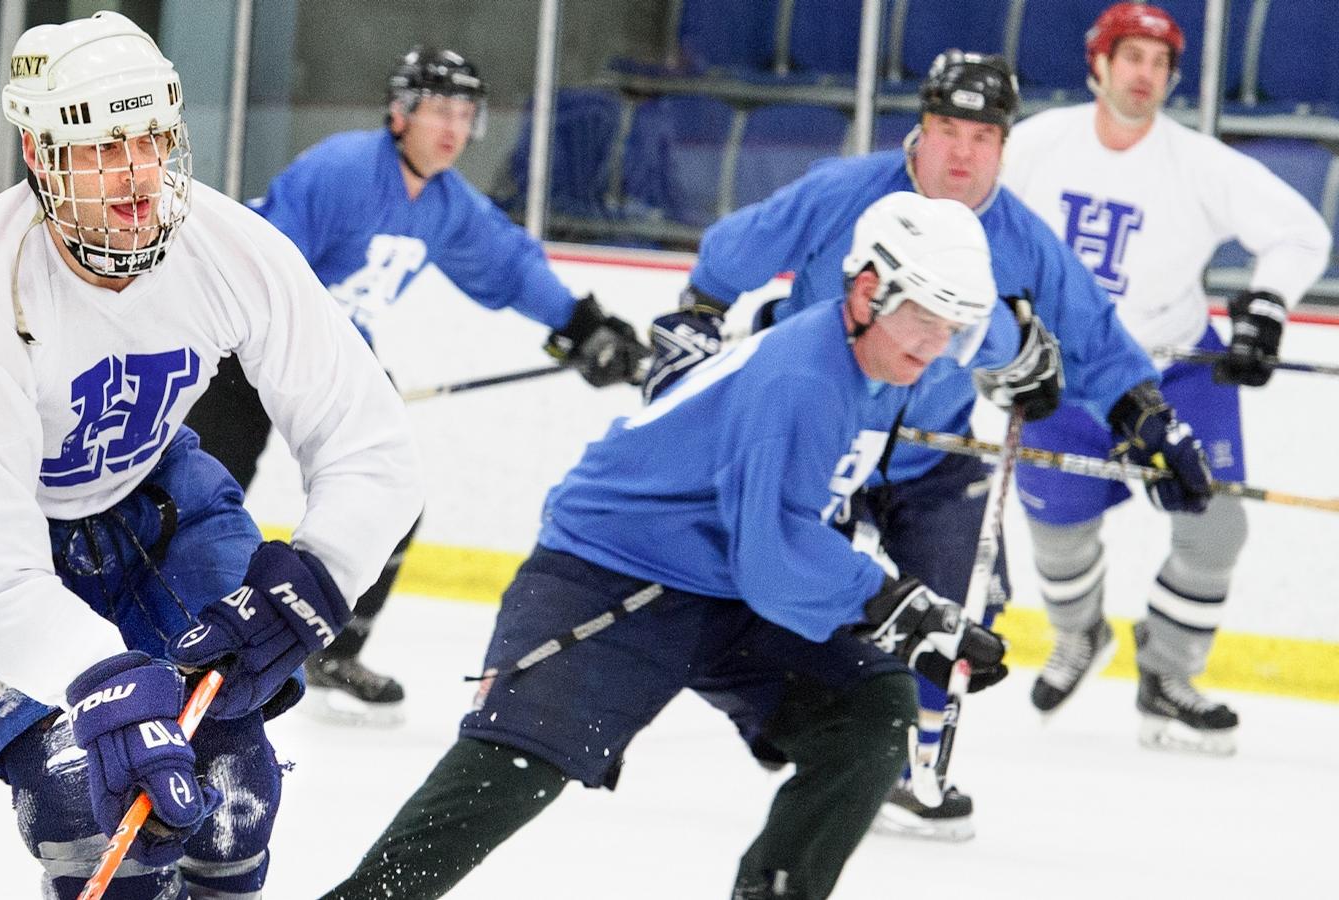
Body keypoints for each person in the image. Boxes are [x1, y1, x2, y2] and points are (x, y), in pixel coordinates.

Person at [0, 13, 423, 900]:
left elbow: (369, 441)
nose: (139, 172)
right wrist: (105, 678)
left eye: (152, 139)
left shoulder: (231, 249)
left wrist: (320, 572)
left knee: (230, 795)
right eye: (104, 147)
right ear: (40, 157)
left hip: (148, 492)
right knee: (90, 804)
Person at [319, 191, 1010, 900]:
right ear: (867, 290)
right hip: (614, 572)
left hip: (727, 583)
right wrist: (895, 605)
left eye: (951, 326)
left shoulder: (885, 362)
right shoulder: (805, 377)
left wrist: (901, 612)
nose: (935, 344)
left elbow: (785, 528)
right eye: (925, 317)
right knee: (515, 766)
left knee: (869, 708)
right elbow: (775, 554)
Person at [639, 50, 1211, 841]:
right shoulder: (844, 193)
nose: (961, 153)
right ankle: (820, 726)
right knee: (805, 590)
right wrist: (699, 313)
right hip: (823, 439)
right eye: (947, 129)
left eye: (982, 136)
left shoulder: (1019, 236)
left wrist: (1145, 418)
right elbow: (734, 250)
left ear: (1004, 145)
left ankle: (911, 760)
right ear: (921, 129)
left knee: (961, 609)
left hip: (931, 452)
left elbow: (1092, 336)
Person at [184, 46, 648, 723]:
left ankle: (334, 649)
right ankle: (171, 625)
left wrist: (584, 326)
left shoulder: (446, 203)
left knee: (386, 492)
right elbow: (264, 265)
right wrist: (328, 348)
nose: (454, 127)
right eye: (440, 110)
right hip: (245, 346)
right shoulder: (342, 169)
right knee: (202, 492)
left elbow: (510, 267)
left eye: (465, 113)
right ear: (400, 113)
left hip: (332, 357)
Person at [998, 2, 1331, 755]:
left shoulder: (1199, 163)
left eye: (1159, 63)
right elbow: (973, 222)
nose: (1145, 75)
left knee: (1216, 529)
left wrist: (1266, 310)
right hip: (1066, 375)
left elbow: (1300, 232)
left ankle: (1168, 672)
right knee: (1057, 533)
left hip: (1176, 371)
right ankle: (1080, 635)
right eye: (1132, 57)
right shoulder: (1038, 145)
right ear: (1099, 65)